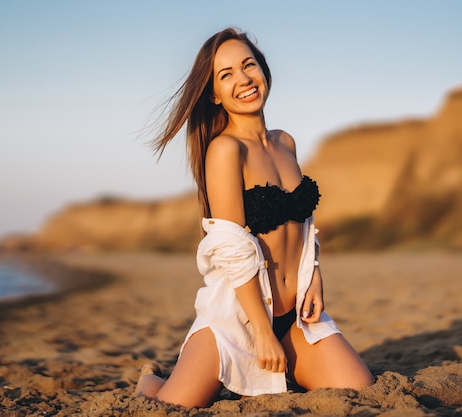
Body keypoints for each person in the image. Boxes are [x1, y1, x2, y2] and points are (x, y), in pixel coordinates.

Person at [135, 27, 373, 408]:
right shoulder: (225, 150)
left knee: (362, 391)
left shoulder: (286, 142)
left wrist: (314, 276)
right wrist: (261, 332)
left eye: (249, 66)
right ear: (214, 93)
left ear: (263, 70)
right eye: (226, 74)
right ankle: (150, 377)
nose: (243, 80)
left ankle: (286, 371)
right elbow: (230, 246)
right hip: (239, 321)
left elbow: (303, 225)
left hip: (295, 319)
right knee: (169, 405)